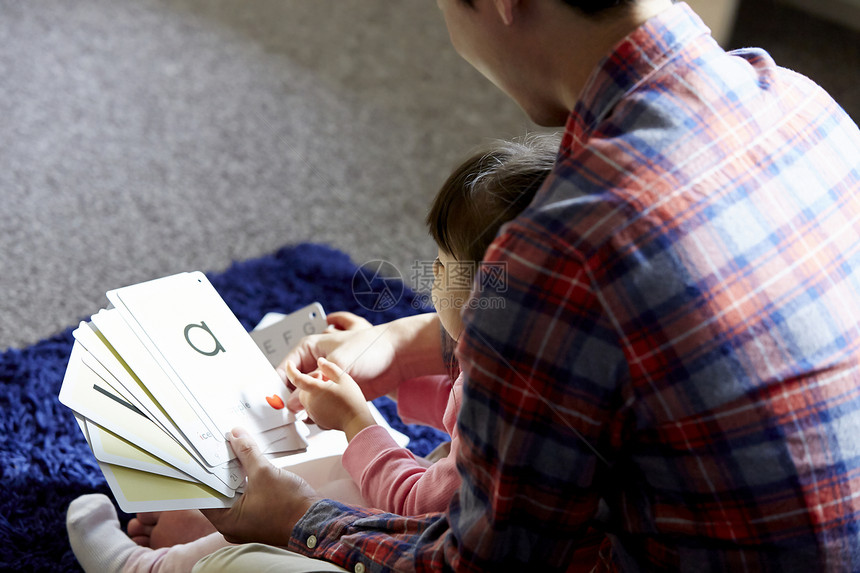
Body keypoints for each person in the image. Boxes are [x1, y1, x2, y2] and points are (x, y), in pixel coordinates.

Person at [191, 0, 860, 571]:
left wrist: (299, 521)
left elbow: (473, 562)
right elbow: (622, 337)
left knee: (238, 558)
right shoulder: (804, 103)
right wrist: (402, 341)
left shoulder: (565, 244)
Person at [65, 134, 564, 572]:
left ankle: (146, 568)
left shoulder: (508, 406)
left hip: (438, 536)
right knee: (330, 480)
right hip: (453, 511)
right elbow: (459, 418)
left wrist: (357, 424)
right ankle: (210, 520)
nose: (432, 275)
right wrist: (394, 373)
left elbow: (416, 506)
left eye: (444, 266)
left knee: (292, 525)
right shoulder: (539, 359)